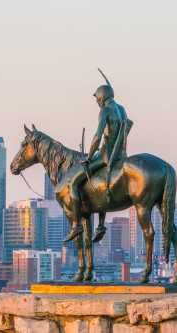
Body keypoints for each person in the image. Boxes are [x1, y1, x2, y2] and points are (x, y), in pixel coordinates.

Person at [64, 70, 133, 242]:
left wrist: (89, 155)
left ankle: (76, 225)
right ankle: (101, 225)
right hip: (121, 155)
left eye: (96, 98)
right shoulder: (122, 110)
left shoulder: (105, 111)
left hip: (106, 155)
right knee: (98, 182)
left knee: (74, 182)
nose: (96, 101)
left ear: (102, 96)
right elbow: (127, 128)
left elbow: (98, 136)